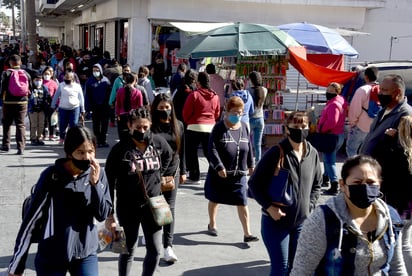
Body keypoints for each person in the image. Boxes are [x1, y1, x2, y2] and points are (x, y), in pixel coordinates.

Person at [7, 126, 112, 275]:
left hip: (85, 252)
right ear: (69, 153)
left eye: (91, 152)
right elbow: (30, 222)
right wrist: (16, 265)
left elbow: (102, 213)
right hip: (52, 255)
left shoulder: (98, 174)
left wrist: (95, 185)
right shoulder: (52, 176)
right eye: (80, 152)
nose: (87, 157)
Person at [290, 155, 407, 275]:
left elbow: (396, 266)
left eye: (371, 182)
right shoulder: (323, 219)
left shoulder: (390, 218)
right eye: (357, 182)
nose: (365, 187)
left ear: (379, 185)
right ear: (342, 185)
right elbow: (301, 271)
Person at [248, 111, 322, 276]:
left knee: (296, 268)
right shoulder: (276, 152)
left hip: (301, 224)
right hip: (276, 223)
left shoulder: (312, 152)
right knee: (281, 269)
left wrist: (309, 206)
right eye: (295, 126)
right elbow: (254, 184)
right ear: (287, 129)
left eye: (303, 126)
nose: (300, 130)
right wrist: (269, 207)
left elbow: (317, 184)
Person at [105, 107, 175, 276]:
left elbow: (170, 156)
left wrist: (162, 175)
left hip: (154, 205)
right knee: (127, 250)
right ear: (129, 126)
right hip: (127, 206)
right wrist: (109, 213)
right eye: (137, 128)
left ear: (150, 124)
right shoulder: (120, 149)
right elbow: (108, 181)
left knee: (156, 250)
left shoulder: (158, 143)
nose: (142, 131)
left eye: (145, 127)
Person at [205, 96, 257, 241]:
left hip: (239, 173)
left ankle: (247, 233)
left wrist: (251, 165)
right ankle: (212, 224)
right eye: (234, 112)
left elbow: (249, 147)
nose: (237, 115)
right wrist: (219, 166)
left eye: (240, 112)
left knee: (242, 201)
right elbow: (212, 149)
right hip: (221, 173)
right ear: (227, 112)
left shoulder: (245, 127)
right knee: (215, 199)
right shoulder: (219, 128)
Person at [151, 93, 186, 263]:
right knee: (157, 207)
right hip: (153, 173)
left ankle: (168, 246)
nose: (164, 110)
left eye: (167, 107)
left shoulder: (178, 125)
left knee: (169, 209)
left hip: (173, 172)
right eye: (161, 108)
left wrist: (184, 172)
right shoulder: (150, 127)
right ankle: (154, 238)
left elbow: (182, 151)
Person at [182, 71, 220, 183]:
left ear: (198, 82)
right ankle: (216, 171)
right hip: (210, 126)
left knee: (191, 152)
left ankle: (194, 175)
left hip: (194, 126)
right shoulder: (215, 96)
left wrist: (190, 121)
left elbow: (186, 112)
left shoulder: (194, 95)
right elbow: (217, 113)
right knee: (209, 152)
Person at [317, 82, 347, 195]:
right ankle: (325, 178)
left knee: (329, 161)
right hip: (338, 134)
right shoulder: (340, 100)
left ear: (337, 92)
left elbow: (332, 122)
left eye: (331, 91)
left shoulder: (333, 104)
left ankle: (334, 184)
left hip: (331, 135)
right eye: (327, 90)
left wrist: (321, 129)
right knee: (327, 159)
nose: (328, 93)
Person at [379, 115, 412, 218]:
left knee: (397, 230)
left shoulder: (395, 151)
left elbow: (381, 164)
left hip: (396, 202)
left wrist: (387, 139)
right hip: (409, 204)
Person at [1, 54, 32, 155]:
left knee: (7, 123)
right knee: (20, 124)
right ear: (20, 63)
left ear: (10, 63)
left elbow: (2, 87)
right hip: (22, 102)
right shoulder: (26, 74)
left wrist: (2, 97)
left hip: (8, 102)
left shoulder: (6, 73)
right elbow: (30, 88)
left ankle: (6, 145)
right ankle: (21, 147)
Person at [346, 66, 379, 157]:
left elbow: (354, 109)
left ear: (366, 77)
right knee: (367, 152)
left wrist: (352, 123)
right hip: (375, 126)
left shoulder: (362, 90)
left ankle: (355, 169)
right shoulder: (381, 89)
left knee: (351, 149)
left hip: (360, 125)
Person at [51, 71, 85, 145]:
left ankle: (73, 139)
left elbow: (81, 98)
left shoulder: (77, 86)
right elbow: (56, 96)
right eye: (65, 78)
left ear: (72, 79)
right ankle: (62, 138)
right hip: (63, 108)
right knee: (62, 124)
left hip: (75, 108)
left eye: (68, 78)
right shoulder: (61, 85)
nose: (66, 79)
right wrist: (53, 105)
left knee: (73, 124)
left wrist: (83, 109)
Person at [85, 63, 112, 147]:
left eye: (97, 70)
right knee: (96, 124)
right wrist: (87, 109)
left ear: (100, 71)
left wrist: (110, 104)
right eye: (94, 71)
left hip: (104, 106)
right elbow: (87, 96)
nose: (95, 72)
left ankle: (103, 140)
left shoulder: (106, 81)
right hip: (95, 106)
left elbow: (110, 94)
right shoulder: (89, 81)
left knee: (104, 124)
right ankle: (97, 141)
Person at [115, 73, 143, 141]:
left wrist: (117, 114)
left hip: (122, 116)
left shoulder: (120, 91)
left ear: (125, 80)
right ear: (134, 81)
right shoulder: (138, 92)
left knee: (123, 136)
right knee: (133, 136)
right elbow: (140, 107)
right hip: (133, 117)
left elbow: (118, 104)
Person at [247, 71, 268, 162]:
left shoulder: (248, 91)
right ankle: (258, 163)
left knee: (247, 143)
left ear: (251, 80)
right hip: (260, 119)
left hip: (250, 119)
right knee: (257, 144)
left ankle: (249, 163)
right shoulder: (264, 90)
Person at [28, 73, 51, 146]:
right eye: (36, 80)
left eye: (40, 80)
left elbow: (48, 97)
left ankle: (39, 138)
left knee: (41, 125)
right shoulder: (31, 88)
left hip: (42, 109)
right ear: (33, 80)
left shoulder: (44, 88)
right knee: (34, 124)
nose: (38, 81)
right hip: (33, 110)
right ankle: (33, 138)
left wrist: (50, 104)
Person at [42, 66, 60, 140]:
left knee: (51, 120)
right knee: (43, 119)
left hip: (52, 104)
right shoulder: (41, 81)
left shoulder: (54, 83)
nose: (46, 75)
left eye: (48, 74)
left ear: (51, 75)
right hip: (42, 104)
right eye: (45, 73)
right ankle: (43, 134)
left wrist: (58, 104)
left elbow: (57, 94)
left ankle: (51, 134)